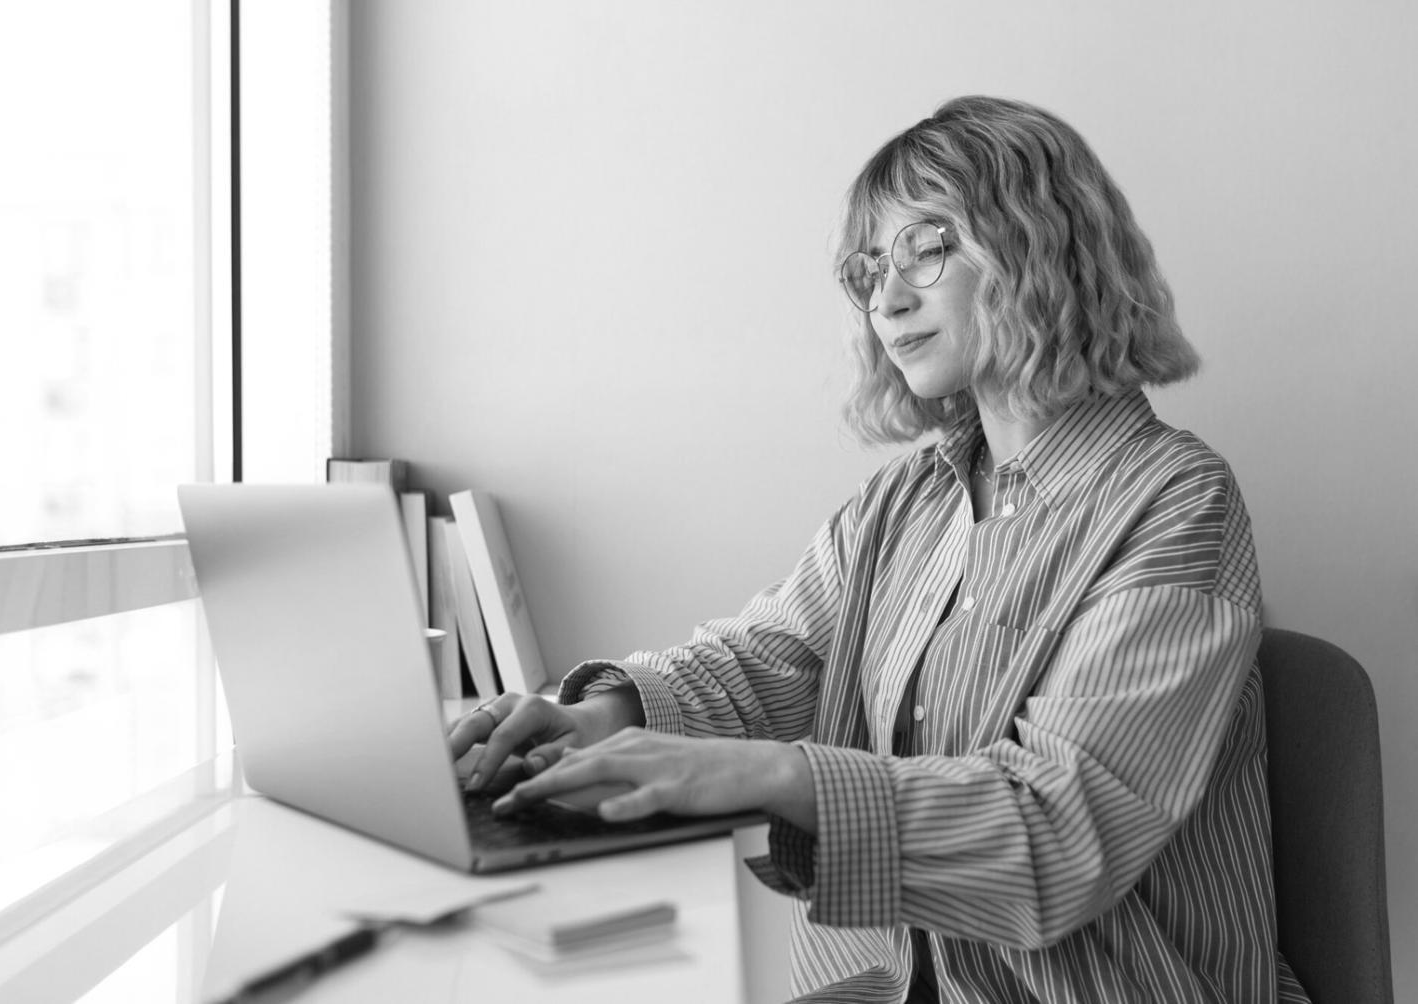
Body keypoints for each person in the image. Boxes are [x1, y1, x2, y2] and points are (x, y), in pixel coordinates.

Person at [448, 95, 1311, 1003]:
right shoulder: (905, 501)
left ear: (1039, 246)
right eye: (868, 269)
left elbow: (1060, 835)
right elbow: (772, 660)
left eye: (925, 248)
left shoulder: (1175, 500)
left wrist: (771, 774)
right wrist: (602, 719)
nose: (886, 299)